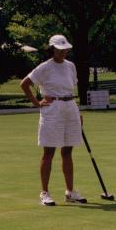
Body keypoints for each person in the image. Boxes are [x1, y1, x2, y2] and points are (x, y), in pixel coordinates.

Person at [20, 34, 87, 206]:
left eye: (65, 48)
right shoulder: (44, 67)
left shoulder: (70, 66)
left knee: (67, 151)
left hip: (69, 107)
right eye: (59, 48)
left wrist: (76, 111)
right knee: (49, 152)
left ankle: (70, 192)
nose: (63, 51)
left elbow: (70, 89)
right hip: (52, 109)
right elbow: (24, 84)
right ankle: (44, 192)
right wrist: (37, 103)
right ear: (52, 49)